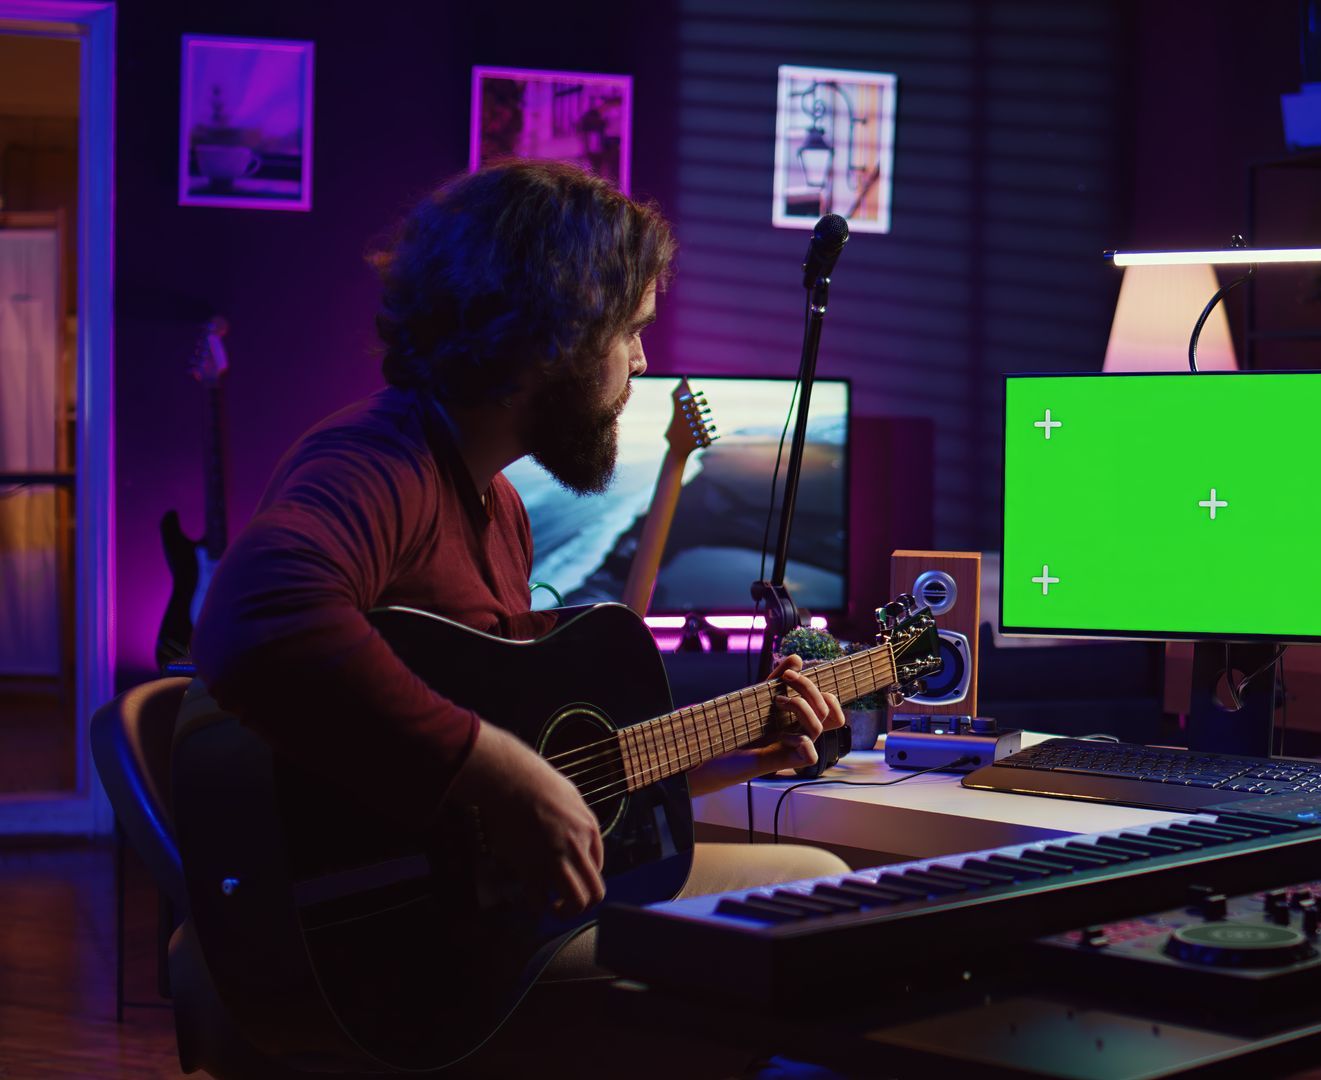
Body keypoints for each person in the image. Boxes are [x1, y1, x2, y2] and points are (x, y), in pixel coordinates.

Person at [184, 160, 849, 1070]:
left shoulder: (501, 512)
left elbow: (553, 775)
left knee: (825, 890)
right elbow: (255, 615)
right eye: (633, 332)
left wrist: (738, 756)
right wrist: (496, 769)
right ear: (554, 337)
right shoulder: (378, 464)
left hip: (484, 917)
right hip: (402, 956)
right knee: (817, 904)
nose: (644, 363)